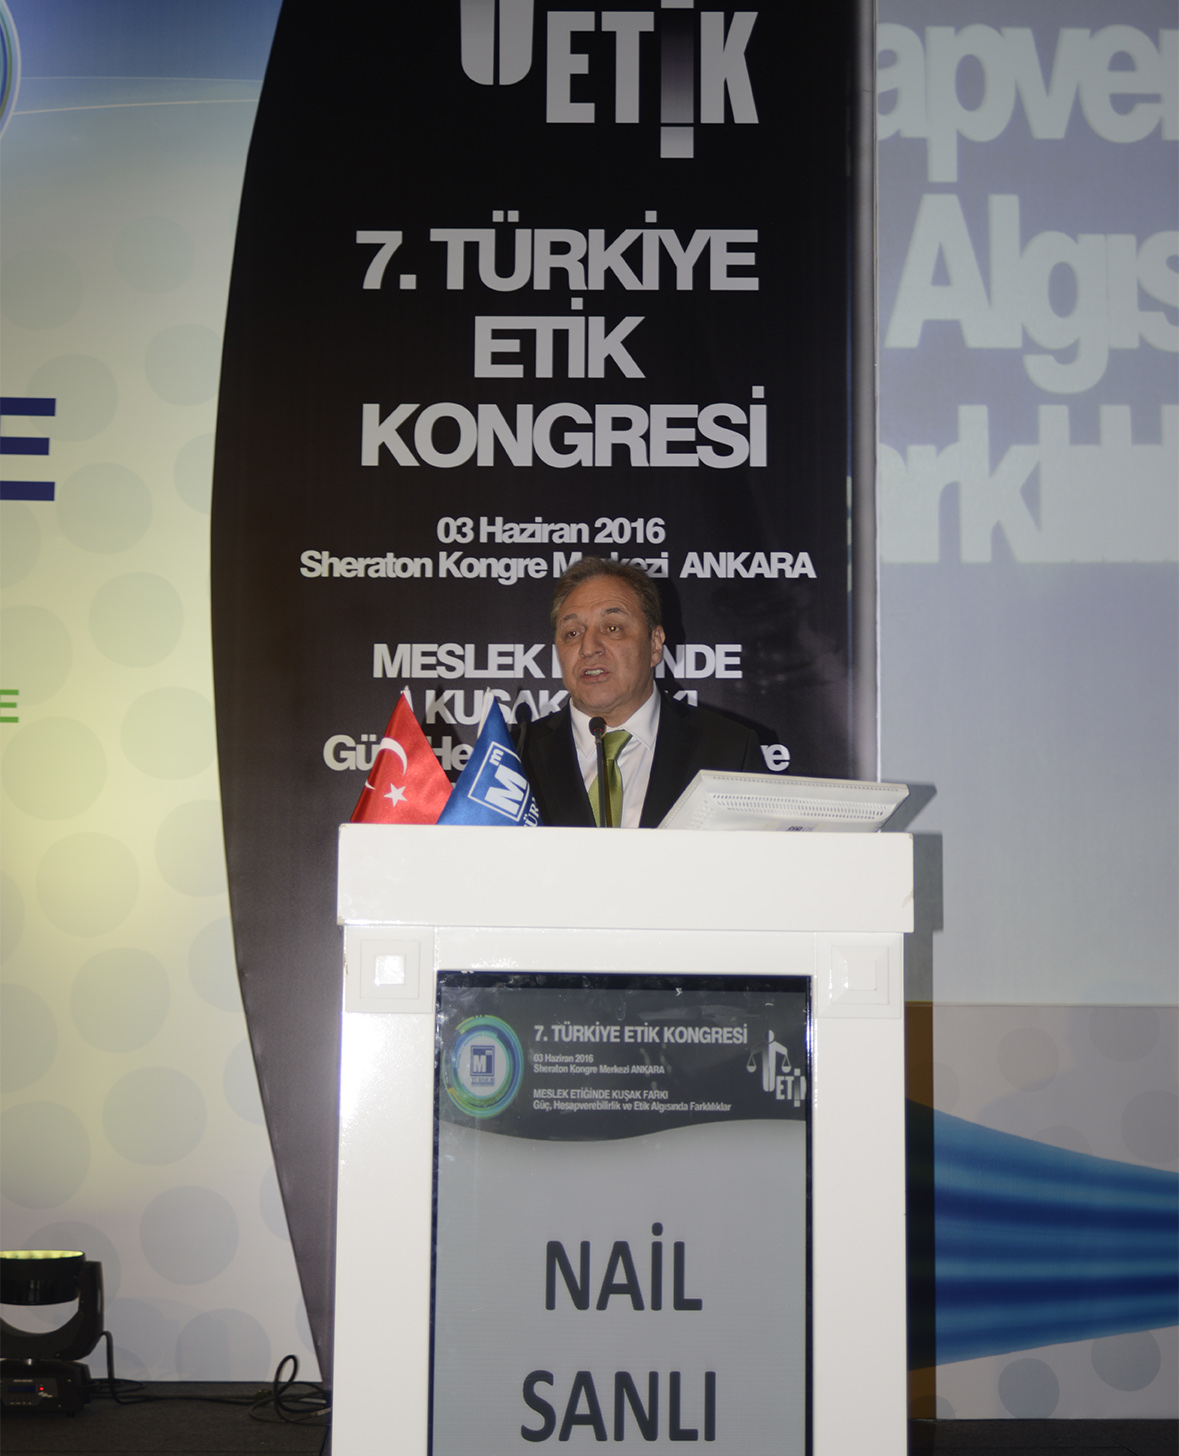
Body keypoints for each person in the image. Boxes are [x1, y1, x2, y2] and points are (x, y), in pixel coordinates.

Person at [519, 557, 764, 827]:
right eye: (572, 633)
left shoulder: (729, 749)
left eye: (612, 628)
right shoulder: (515, 754)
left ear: (655, 644)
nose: (588, 648)